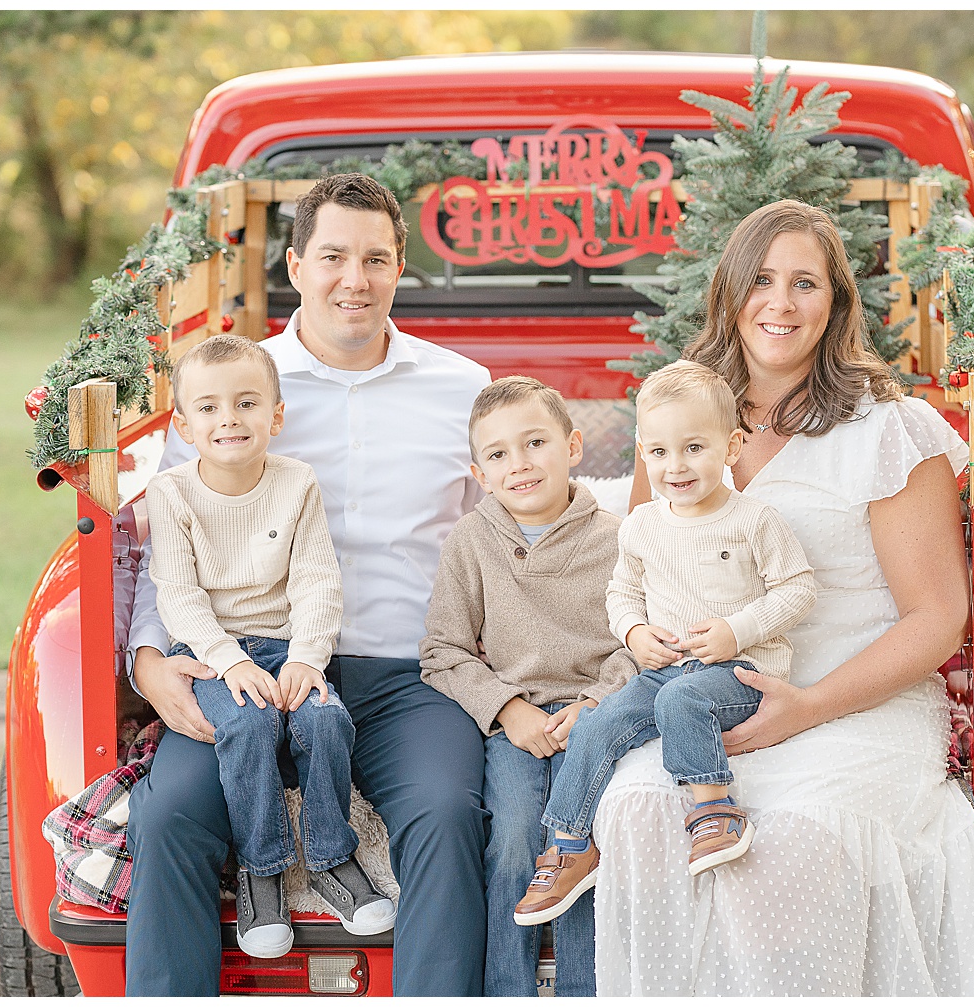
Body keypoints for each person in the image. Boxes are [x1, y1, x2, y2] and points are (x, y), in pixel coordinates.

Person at [593, 199, 974, 995]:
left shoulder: (887, 429)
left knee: (797, 835)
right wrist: (640, 637)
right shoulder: (681, 418)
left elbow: (937, 616)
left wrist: (808, 705)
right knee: (639, 810)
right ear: (730, 292)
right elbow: (642, 572)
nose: (780, 304)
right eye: (762, 280)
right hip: (698, 697)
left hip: (854, 697)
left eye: (806, 283)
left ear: (836, 302)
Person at [124, 173, 493, 996]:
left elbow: (498, 541)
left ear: (400, 267)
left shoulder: (463, 389)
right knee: (169, 813)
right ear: (296, 265)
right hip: (246, 670)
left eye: (374, 259)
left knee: (446, 810)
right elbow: (169, 549)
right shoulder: (234, 387)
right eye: (332, 256)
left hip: (410, 674)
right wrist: (150, 662)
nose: (352, 280)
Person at [513, 361, 816, 926]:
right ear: (642, 451)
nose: (675, 467)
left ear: (731, 447)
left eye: (694, 448)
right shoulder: (642, 525)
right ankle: (570, 844)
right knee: (599, 721)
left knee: (682, 702)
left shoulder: (754, 521)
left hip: (739, 671)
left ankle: (714, 808)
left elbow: (798, 590)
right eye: (659, 452)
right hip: (663, 669)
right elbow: (621, 592)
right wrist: (634, 632)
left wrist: (737, 631)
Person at [143, 335, 395, 958]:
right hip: (211, 651)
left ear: (276, 415)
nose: (228, 418)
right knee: (252, 726)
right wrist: (229, 664)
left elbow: (316, 579)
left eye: (247, 402)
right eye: (208, 407)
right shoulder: (172, 494)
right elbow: (177, 595)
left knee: (326, 721)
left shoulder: (296, 482)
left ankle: (333, 860)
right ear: (184, 423)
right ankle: (263, 870)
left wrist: (309, 658)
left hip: (289, 644)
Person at [418, 375, 637, 997]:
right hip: (515, 722)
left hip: (597, 719)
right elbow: (442, 651)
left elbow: (641, 640)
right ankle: (505, 991)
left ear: (573, 447)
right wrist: (507, 709)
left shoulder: (618, 539)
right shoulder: (471, 541)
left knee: (583, 844)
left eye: (535, 442)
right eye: (497, 454)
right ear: (478, 472)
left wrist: (597, 704)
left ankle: (582, 991)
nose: (519, 465)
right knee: (513, 834)